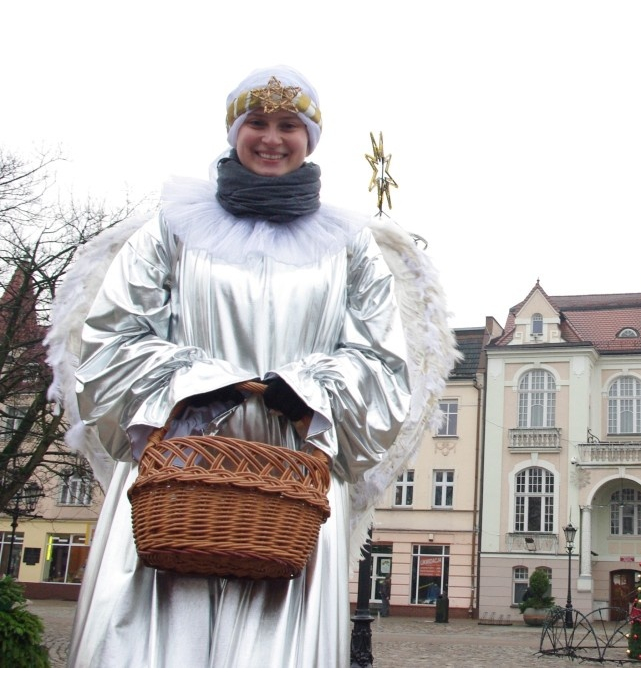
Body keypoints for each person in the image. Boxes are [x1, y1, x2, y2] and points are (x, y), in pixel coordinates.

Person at [45, 66, 457, 667]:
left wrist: (304, 392)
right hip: (178, 464)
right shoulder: (174, 228)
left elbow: (382, 365)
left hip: (296, 466)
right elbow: (110, 340)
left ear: (310, 138)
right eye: (257, 123)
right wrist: (204, 384)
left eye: (289, 124)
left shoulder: (350, 244)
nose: (272, 138)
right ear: (234, 131)